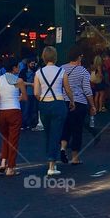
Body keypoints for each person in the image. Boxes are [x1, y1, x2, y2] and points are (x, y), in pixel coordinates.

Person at [0, 57, 26, 176]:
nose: (19, 69)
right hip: (14, 110)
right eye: (17, 67)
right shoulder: (18, 80)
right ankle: (11, 168)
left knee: (5, 137)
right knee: (13, 140)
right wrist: (17, 97)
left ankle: (3, 162)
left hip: (2, 111)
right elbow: (24, 97)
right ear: (14, 68)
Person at [34, 46, 67, 176]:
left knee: (48, 133)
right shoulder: (61, 71)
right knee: (56, 134)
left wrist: (42, 99)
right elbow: (67, 89)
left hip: (44, 104)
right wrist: (71, 100)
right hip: (58, 103)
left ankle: (50, 159)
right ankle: (52, 165)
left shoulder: (38, 73)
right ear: (55, 56)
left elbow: (36, 92)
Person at [60, 48, 97, 165]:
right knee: (77, 129)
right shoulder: (83, 71)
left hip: (64, 101)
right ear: (79, 57)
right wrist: (92, 105)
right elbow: (87, 90)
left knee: (65, 127)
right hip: (79, 102)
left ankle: (62, 148)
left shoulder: (61, 69)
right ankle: (75, 157)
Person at [20, 57, 39, 130]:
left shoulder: (36, 71)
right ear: (28, 64)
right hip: (26, 92)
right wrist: (31, 84)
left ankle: (32, 124)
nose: (33, 65)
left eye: (34, 64)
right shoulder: (23, 71)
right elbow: (20, 81)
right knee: (26, 109)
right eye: (32, 63)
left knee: (33, 109)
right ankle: (24, 124)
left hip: (34, 93)